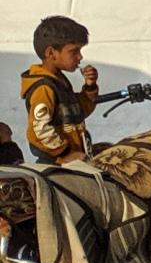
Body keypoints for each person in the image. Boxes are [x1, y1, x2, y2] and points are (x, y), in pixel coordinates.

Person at [19, 15, 102, 165]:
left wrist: (89, 87)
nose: (80, 57)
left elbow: (77, 113)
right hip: (58, 167)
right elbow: (39, 130)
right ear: (50, 53)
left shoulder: (60, 81)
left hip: (74, 160)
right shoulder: (44, 88)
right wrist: (65, 154)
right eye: (74, 51)